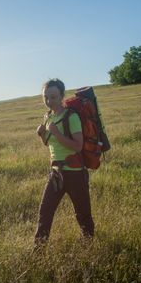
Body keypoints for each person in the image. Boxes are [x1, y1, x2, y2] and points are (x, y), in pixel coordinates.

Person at [34, 78, 94, 247]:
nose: (49, 101)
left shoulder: (71, 116)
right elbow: (50, 145)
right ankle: (38, 251)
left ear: (61, 96)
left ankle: (88, 246)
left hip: (75, 172)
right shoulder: (48, 117)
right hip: (56, 173)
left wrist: (57, 133)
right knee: (45, 213)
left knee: (83, 214)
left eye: (53, 97)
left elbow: (77, 146)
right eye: (46, 97)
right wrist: (42, 135)